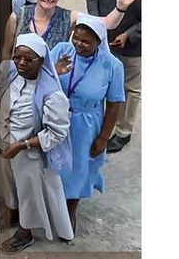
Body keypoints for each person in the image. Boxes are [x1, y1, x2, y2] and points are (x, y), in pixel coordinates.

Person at [0, 33, 73, 253]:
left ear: (41, 61)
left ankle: (25, 233)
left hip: (30, 153)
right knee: (9, 186)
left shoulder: (52, 93)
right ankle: (11, 216)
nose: (21, 63)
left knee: (29, 193)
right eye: (17, 57)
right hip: (5, 144)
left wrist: (22, 145)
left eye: (28, 60)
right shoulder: (11, 73)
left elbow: (56, 133)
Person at [52, 15, 124, 234]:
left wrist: (103, 138)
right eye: (76, 38)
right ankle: (51, 203)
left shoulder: (111, 65)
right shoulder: (62, 50)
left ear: (98, 42)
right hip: (56, 119)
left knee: (79, 168)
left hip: (85, 124)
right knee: (53, 165)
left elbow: (113, 105)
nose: (79, 45)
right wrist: (56, 69)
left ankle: (70, 207)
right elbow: (43, 78)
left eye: (85, 42)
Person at [85, 0, 142, 154]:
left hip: (132, 45)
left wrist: (129, 35)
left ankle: (122, 132)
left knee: (130, 89)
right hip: (102, 40)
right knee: (100, 84)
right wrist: (99, 21)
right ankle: (101, 126)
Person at [3, 0, 141, 60]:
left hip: (53, 84)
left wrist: (120, 7)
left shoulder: (68, 17)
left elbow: (108, 23)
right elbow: (6, 52)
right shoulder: (18, 17)